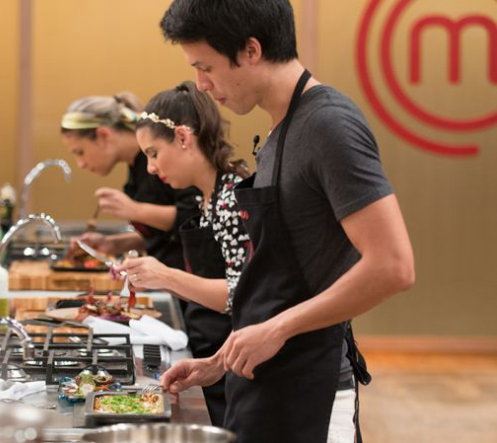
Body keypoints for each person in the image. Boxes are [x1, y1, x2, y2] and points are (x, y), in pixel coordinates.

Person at [158, 1, 416, 443]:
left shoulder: (328, 124)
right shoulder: (279, 131)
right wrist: (219, 362)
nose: (201, 85)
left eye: (207, 68)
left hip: (313, 392)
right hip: (265, 383)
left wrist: (278, 329)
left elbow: (393, 267)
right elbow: (275, 286)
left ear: (251, 50)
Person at [121, 81, 251, 425]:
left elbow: (242, 295)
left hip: (238, 365)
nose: (150, 168)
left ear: (182, 137)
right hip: (211, 357)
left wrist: (164, 275)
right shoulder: (204, 199)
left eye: (153, 153)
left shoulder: (233, 199)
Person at [60, 93, 200, 272]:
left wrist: (135, 210)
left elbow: (195, 218)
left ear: (103, 134)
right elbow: (164, 235)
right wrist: (113, 244)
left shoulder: (163, 162)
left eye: (79, 152)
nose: (80, 164)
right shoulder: (135, 166)